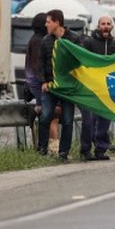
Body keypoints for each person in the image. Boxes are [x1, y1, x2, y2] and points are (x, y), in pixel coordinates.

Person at [38, 9, 79, 162]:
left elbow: (79, 62)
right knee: (45, 116)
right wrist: (43, 81)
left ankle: (63, 152)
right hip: (50, 86)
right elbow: (40, 63)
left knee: (67, 120)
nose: (46, 24)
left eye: (48, 22)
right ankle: (42, 149)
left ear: (57, 22)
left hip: (67, 88)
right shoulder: (46, 40)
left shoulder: (73, 39)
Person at [77, 15, 115, 161]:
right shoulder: (89, 42)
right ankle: (85, 150)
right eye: (103, 24)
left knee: (104, 120)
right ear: (98, 26)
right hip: (91, 87)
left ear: (112, 27)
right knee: (89, 120)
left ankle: (101, 149)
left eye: (108, 24)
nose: (105, 26)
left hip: (107, 88)